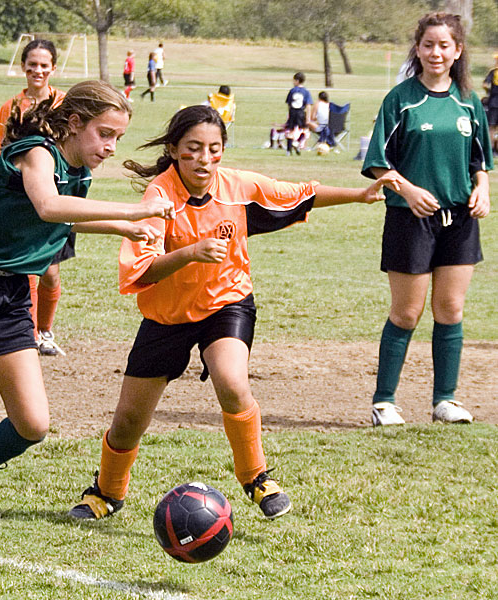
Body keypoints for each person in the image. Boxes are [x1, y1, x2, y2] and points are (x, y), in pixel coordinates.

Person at [68, 104, 401, 523]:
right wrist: (190, 253)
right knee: (129, 420)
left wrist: (361, 193)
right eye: (193, 148)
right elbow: (143, 271)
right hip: (167, 316)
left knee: (232, 381)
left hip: (227, 303)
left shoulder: (238, 186)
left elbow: (301, 193)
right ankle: (107, 492)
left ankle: (257, 478)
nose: (204, 159)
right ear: (173, 150)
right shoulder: (159, 197)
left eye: (214, 148)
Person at [0, 80, 175, 562]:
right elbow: (48, 205)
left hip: (9, 291)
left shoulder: (77, 170)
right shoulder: (37, 154)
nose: (111, 147)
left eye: (118, 138)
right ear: (74, 123)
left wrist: (124, 227)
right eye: (105, 134)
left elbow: (63, 217)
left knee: (32, 423)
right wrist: (136, 209)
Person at [362, 12, 493, 427]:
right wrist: (409, 190)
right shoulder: (400, 99)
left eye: (444, 45)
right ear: (417, 50)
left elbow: (479, 161)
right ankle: (384, 402)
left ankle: (445, 401)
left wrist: (483, 188)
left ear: (457, 51)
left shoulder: (468, 101)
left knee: (450, 309)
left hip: (460, 219)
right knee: (406, 313)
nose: (436, 52)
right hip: (410, 219)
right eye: (428, 45)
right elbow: (378, 163)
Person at [0, 39, 70, 356]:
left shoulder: (64, 104)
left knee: (49, 273)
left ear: (53, 68)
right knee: (27, 272)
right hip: (19, 199)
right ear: (23, 66)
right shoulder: (11, 106)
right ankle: (30, 336)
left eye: (44, 65)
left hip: (54, 197)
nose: (38, 70)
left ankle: (45, 330)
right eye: (32, 64)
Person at [285, 72, 313, 156]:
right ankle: (296, 142)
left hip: (292, 112)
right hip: (301, 113)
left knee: (290, 131)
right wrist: (308, 118)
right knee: (305, 130)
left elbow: (289, 104)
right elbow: (308, 105)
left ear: (297, 81)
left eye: (294, 81)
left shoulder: (292, 91)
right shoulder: (306, 92)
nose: (293, 82)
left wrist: (289, 114)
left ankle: (288, 150)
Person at [482, 53, 498, 157]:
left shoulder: (493, 72)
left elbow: (484, 84)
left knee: (491, 126)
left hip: (493, 103)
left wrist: (489, 92)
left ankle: (491, 149)